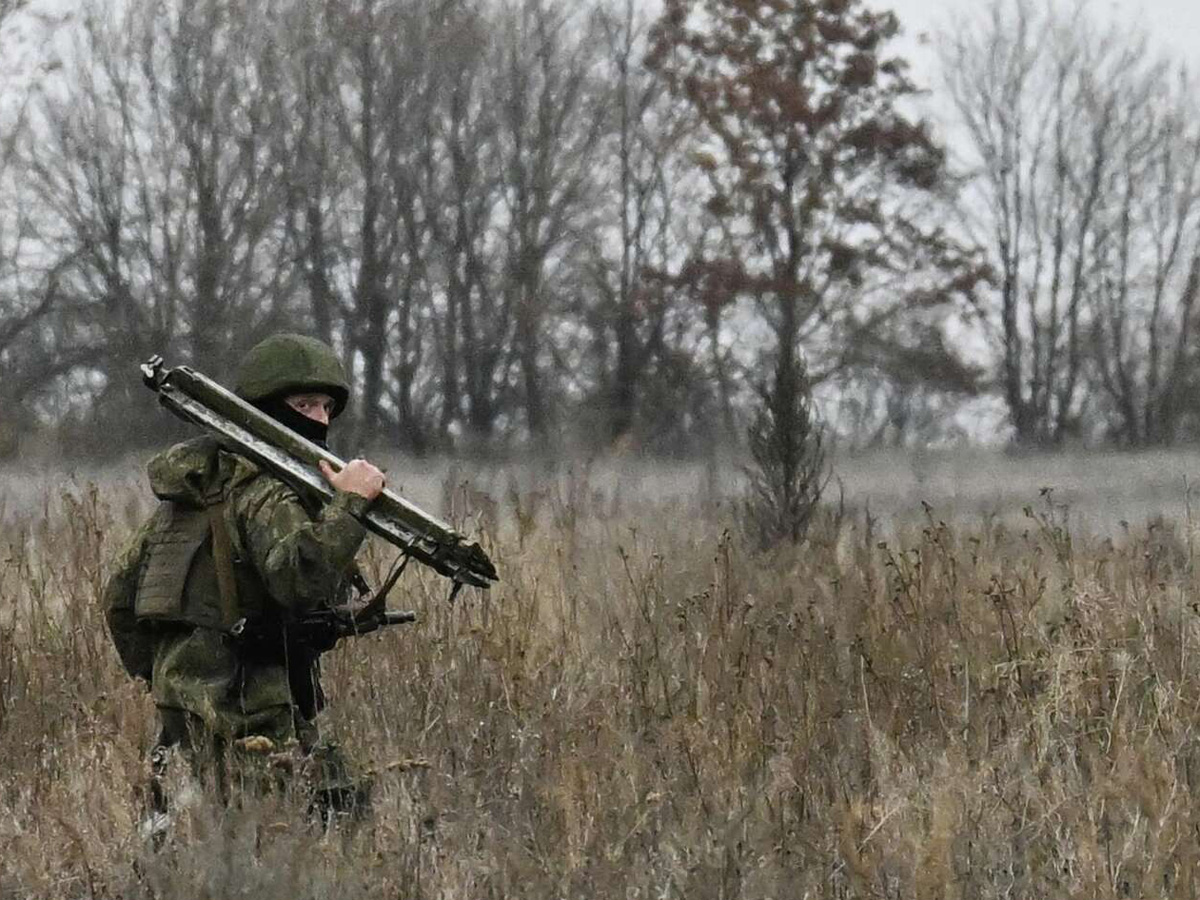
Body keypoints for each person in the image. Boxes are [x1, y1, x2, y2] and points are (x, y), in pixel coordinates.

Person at [103, 333, 386, 822]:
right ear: (266, 409)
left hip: (181, 710)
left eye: (326, 407)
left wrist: (176, 673)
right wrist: (352, 506)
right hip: (251, 709)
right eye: (304, 404)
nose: (319, 419)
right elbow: (298, 579)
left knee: (177, 834)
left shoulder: (189, 494)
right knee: (331, 816)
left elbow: (119, 601)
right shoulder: (266, 493)